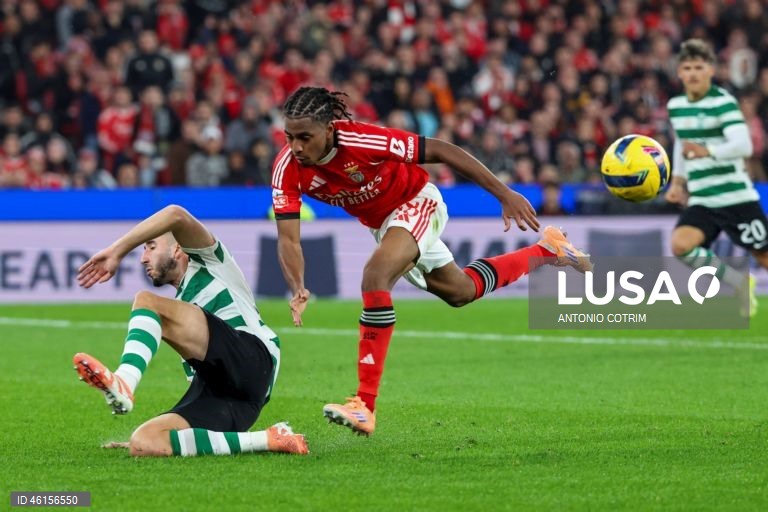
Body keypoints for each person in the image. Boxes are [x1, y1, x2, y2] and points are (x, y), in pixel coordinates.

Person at [271, 86, 592, 436]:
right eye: (290, 137)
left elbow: (440, 149)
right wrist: (298, 285)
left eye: (305, 137)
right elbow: (289, 237)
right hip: (385, 226)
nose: (297, 146)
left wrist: (504, 193)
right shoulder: (287, 168)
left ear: (329, 129)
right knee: (460, 291)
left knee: (374, 276)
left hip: (417, 201)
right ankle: (549, 249)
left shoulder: (364, 141)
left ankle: (364, 404)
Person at [73, 205, 308, 456]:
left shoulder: (210, 262)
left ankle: (125, 381)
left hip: (252, 361)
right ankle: (270, 438)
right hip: (235, 400)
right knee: (145, 442)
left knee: (146, 301)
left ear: (177, 248)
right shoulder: (180, 313)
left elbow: (175, 214)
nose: (143, 258)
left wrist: (117, 250)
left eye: (151, 246)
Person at [665, 39, 768, 317]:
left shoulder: (723, 103)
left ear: (710, 70)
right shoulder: (676, 105)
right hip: (703, 197)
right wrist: (677, 182)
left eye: (699, 67)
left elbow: (744, 146)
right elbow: (681, 144)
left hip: (735, 196)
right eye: (687, 67)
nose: (694, 73)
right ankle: (738, 282)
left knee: (764, 256)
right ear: (680, 73)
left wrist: (706, 150)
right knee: (681, 245)